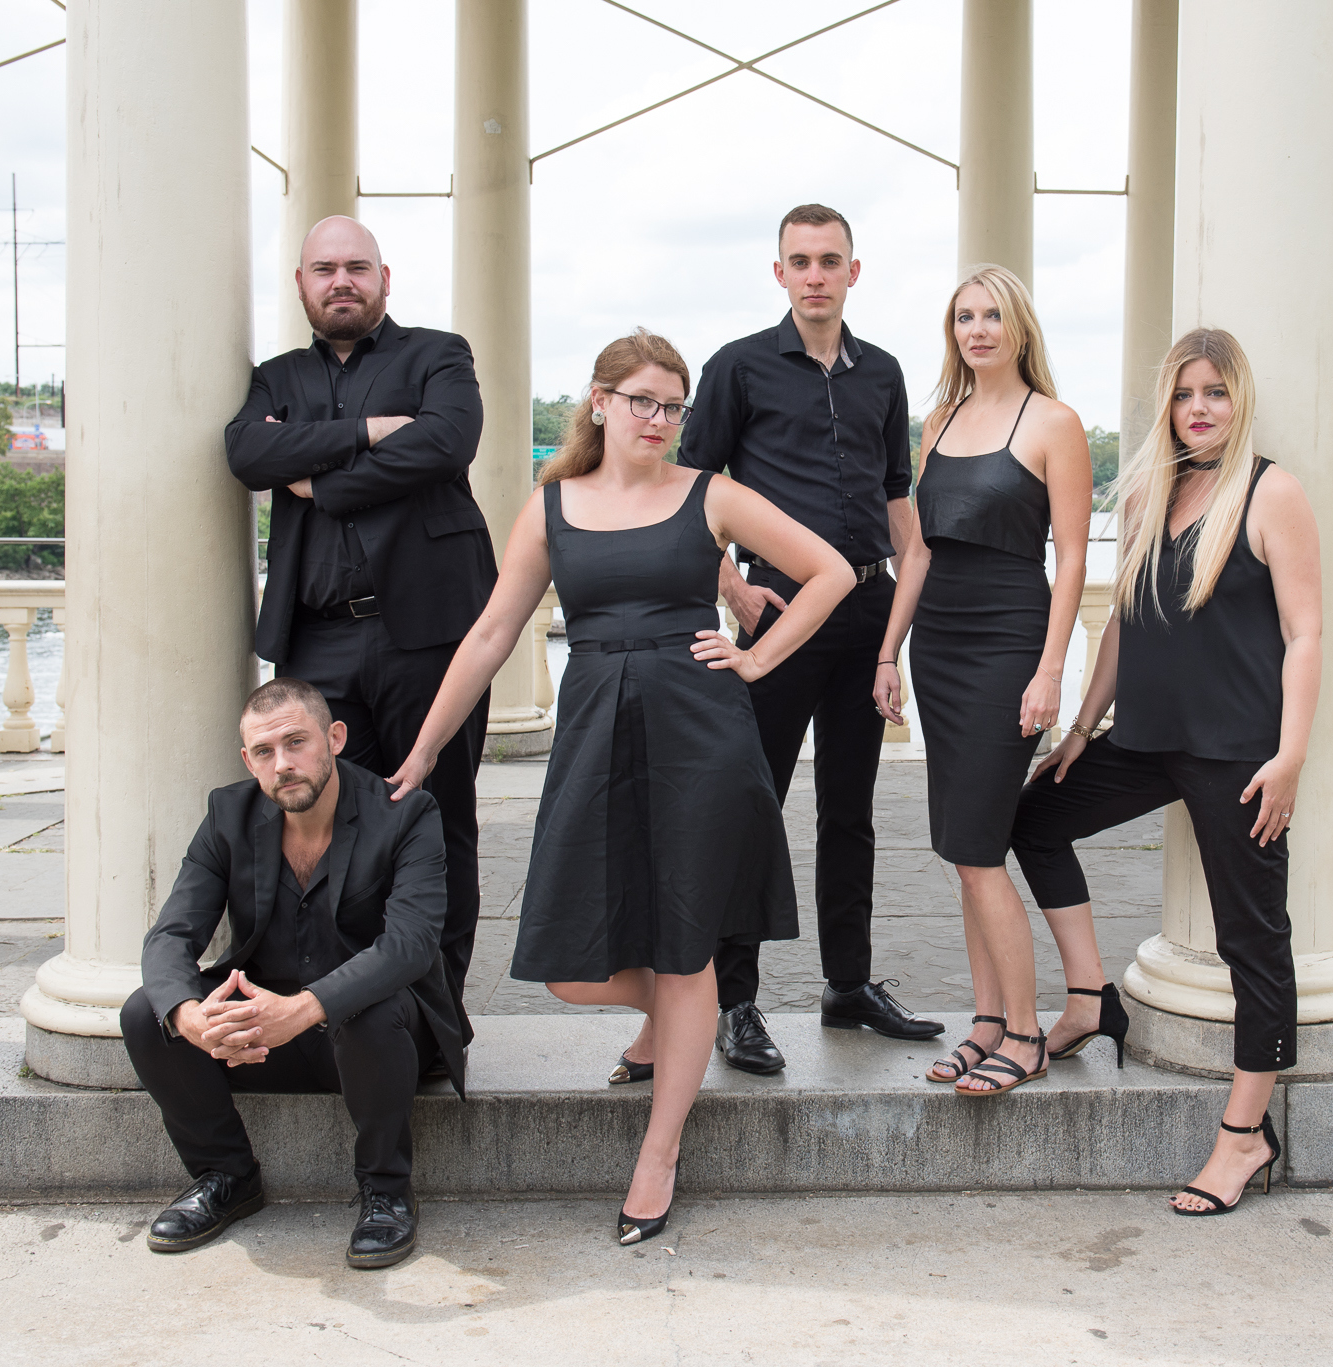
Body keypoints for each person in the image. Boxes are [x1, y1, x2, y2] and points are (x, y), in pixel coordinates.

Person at [389, 329, 851, 1246]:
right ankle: (682, 1018)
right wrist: (425, 748)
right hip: (597, 726)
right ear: (599, 402)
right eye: (642, 400)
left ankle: (659, 1153)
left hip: (701, 733)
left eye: (673, 405)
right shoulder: (551, 505)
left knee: (684, 947)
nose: (660, 420)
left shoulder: (709, 494)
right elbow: (488, 637)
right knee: (569, 963)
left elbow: (832, 571)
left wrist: (757, 659)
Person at [1007, 328, 1323, 1213]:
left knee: (1251, 937)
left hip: (1236, 754)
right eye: (1185, 394)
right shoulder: (1153, 491)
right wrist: (1083, 725)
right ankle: (1088, 996)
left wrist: (1290, 755)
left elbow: (1306, 634)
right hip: (1146, 738)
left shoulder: (1272, 493)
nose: (1198, 409)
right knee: (1032, 820)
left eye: (1215, 393)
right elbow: (1123, 622)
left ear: (1239, 399)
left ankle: (1244, 1133)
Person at [677, 203, 944, 1075]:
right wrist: (732, 588)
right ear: (780, 272)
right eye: (801, 260)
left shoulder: (885, 373)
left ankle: (848, 984)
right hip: (779, 611)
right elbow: (692, 493)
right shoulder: (739, 368)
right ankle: (737, 1000)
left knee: (851, 812)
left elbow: (897, 501)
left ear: (854, 272)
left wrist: (893, 636)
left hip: (866, 610)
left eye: (831, 259)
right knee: (753, 808)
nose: (817, 274)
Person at [224, 215, 494, 1055]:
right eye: (324, 269)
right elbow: (244, 453)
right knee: (328, 825)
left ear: (385, 279)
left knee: (439, 820)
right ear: (302, 284)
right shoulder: (275, 377)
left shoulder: (438, 355)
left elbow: (448, 441)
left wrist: (323, 480)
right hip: (319, 645)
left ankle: (438, 1021)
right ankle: (354, 1010)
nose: (342, 281)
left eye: (357, 268)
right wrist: (371, 432)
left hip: (431, 639)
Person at [121, 677, 465, 1270]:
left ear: (334, 738)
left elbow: (410, 946)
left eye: (296, 743)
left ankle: (385, 1190)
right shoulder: (227, 816)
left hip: (376, 1043)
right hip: (264, 1042)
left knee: (369, 1009)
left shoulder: (406, 814)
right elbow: (172, 934)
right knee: (147, 1014)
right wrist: (190, 1016)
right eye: (264, 751)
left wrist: (301, 1009)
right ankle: (226, 1177)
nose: (283, 765)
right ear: (248, 760)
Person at [872, 265, 1099, 1096]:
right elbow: (920, 549)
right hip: (939, 645)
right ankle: (987, 1020)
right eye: (964, 317)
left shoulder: (1056, 422)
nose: (977, 330)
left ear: (1020, 328)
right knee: (963, 849)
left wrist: (1049, 669)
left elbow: (1072, 556)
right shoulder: (941, 417)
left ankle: (1029, 1033)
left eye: (992, 316)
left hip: (1009, 641)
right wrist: (889, 650)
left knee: (976, 849)